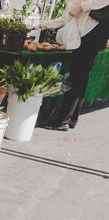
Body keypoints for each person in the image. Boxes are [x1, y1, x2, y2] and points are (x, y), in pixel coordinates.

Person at [34, 0, 109, 131]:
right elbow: (67, 16)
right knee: (81, 76)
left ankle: (62, 120)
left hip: (89, 36)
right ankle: (70, 118)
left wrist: (80, 6)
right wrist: (42, 25)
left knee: (77, 76)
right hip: (90, 36)